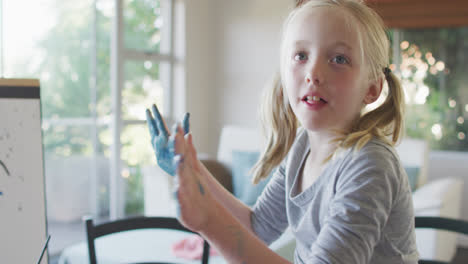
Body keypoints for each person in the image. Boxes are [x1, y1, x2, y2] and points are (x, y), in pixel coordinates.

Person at [146, 0, 419, 263]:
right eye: (301, 55)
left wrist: (209, 222)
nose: (313, 72)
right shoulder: (303, 147)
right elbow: (258, 227)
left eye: (338, 59)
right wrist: (194, 169)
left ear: (372, 88)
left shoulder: (369, 164)